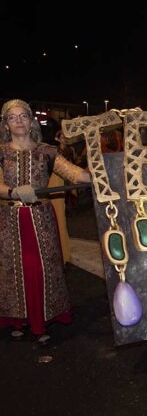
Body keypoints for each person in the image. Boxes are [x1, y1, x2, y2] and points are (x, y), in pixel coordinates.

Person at [0, 99, 91, 344]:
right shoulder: (1, 151)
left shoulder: (47, 151)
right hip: (11, 222)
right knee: (15, 271)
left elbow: (76, 173)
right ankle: (18, 318)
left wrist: (102, 171)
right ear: (6, 124)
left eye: (23, 116)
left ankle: (42, 319)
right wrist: (13, 192)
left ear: (31, 121)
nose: (18, 120)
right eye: (12, 117)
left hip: (41, 220)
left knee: (41, 269)